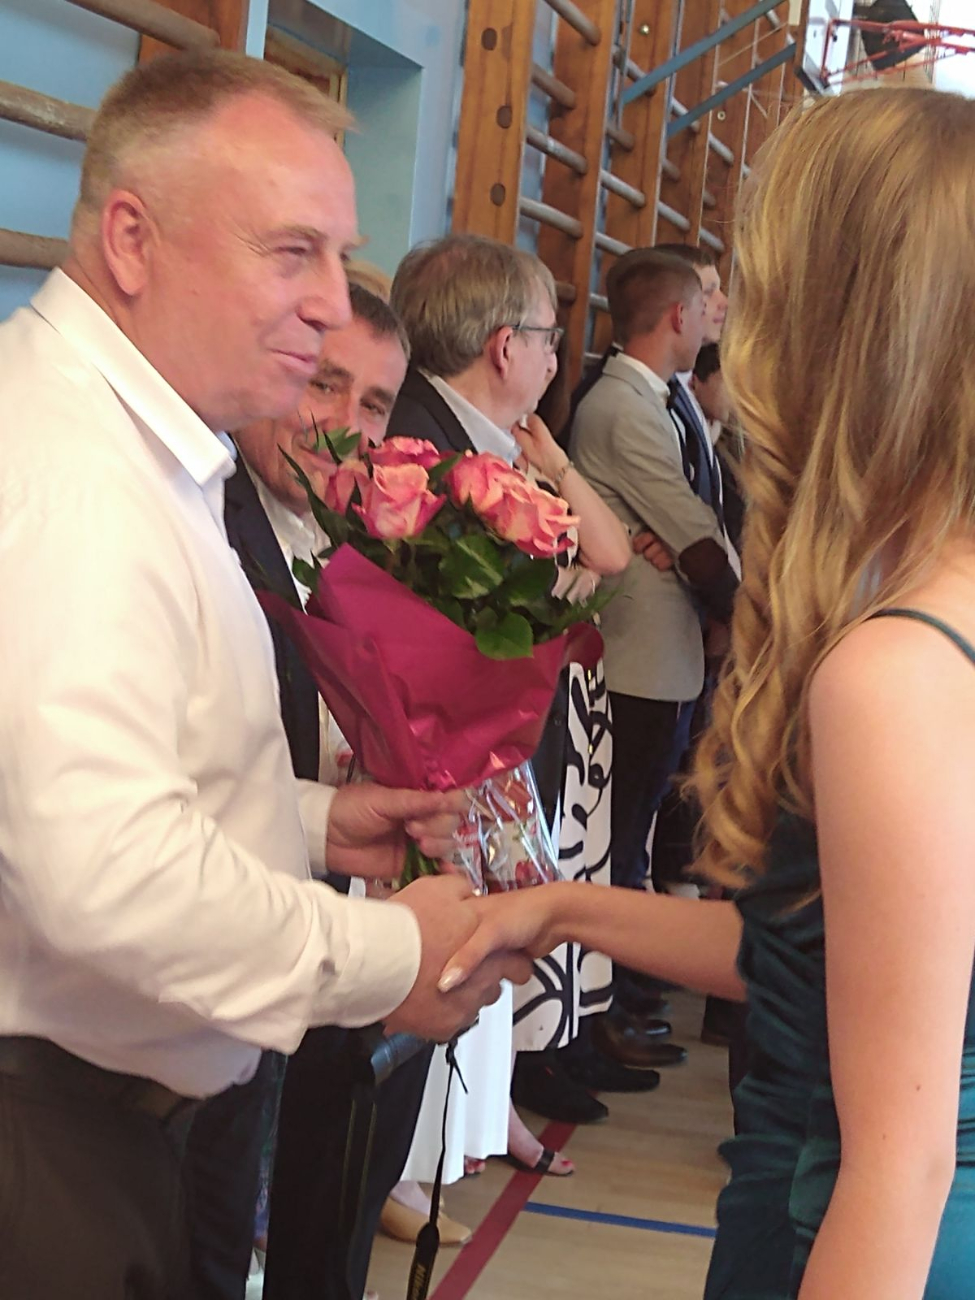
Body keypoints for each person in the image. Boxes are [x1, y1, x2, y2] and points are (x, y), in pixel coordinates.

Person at [0, 50, 529, 1300]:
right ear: (133, 240)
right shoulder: (72, 476)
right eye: (292, 254)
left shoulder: (133, 448)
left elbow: (105, 781)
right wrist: (385, 954)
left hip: (104, 1119)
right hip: (46, 1129)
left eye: (340, 259)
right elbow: (105, 878)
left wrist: (305, 819)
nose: (329, 302)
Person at [444, 86, 975, 1300]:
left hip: (837, 1227)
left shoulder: (895, 669)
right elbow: (826, 958)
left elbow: (899, 1162)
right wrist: (564, 908)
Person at [185, 284, 435, 1300]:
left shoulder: (369, 532)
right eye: (325, 384)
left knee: (325, 1205)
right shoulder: (207, 520)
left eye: (374, 403)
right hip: (221, 950)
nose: (345, 425)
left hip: (338, 911)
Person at [386, 233, 630, 1194]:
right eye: (547, 338)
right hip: (435, 751)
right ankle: (414, 1163)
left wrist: (555, 459)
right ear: (502, 345)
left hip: (486, 741)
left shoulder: (495, 443)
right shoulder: (425, 444)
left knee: (485, 955)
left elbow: (600, 558)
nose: (554, 359)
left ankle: (456, 1138)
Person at [570, 251, 736, 1061]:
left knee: (633, 834)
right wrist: (747, 612)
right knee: (618, 838)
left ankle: (619, 996)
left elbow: (693, 517)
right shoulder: (622, 406)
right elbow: (694, 532)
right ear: (676, 316)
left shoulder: (664, 398)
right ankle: (599, 1013)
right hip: (636, 658)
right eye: (703, 302)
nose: (713, 313)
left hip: (667, 654)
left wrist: (683, 545)